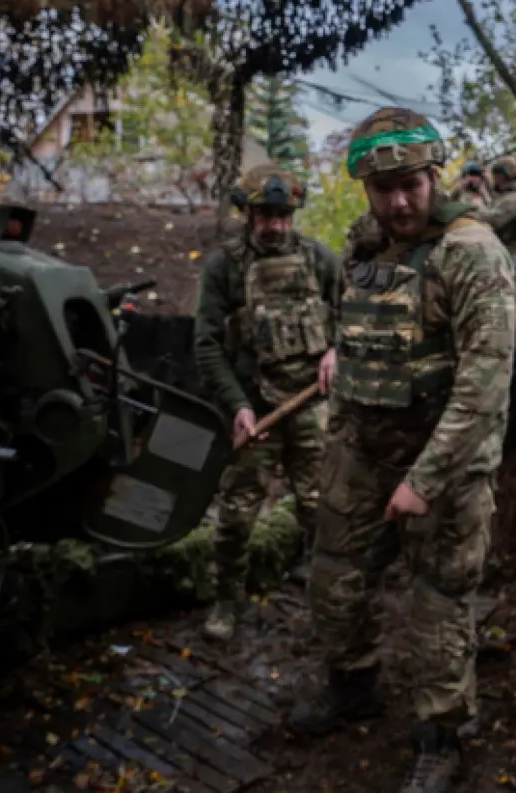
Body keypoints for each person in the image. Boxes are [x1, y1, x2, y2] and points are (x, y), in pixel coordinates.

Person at [286, 107, 516, 793]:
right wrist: (337, 348)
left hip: (444, 459)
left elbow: (485, 384)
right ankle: (351, 684)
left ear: (433, 175)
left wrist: (426, 477)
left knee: (438, 601)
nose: (399, 201)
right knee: (334, 574)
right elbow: (360, 316)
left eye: (411, 184)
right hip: (362, 444)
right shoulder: (364, 244)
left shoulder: (471, 253)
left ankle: (440, 733)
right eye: (383, 189)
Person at [193, 164, 342, 643]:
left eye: (284, 215)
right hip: (255, 408)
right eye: (266, 216)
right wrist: (237, 403)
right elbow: (208, 344)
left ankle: (326, 603)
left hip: (312, 406)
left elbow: (354, 314)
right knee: (237, 514)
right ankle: (226, 602)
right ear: (248, 213)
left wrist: (339, 350)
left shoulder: (319, 259)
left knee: (320, 509)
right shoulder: (224, 268)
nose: (276, 225)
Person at [474, 155, 516, 309]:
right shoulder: (510, 194)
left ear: (504, 176)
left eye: (496, 175)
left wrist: (476, 208)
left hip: (512, 257)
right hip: (508, 255)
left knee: (507, 306)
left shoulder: (514, 198)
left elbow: (495, 218)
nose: (495, 179)